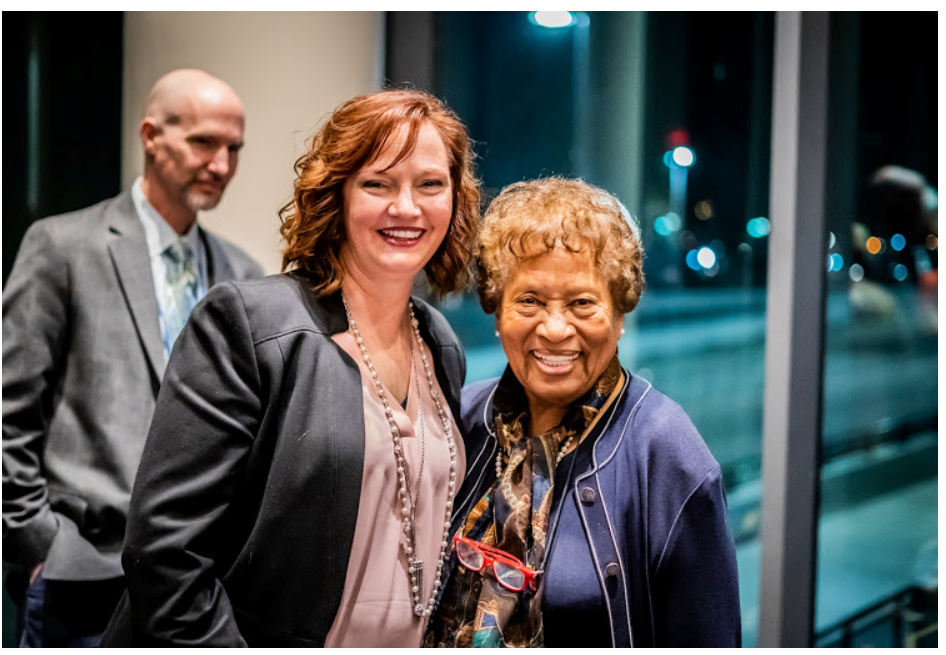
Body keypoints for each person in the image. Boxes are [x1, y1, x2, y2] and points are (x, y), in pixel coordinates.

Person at [102, 89, 481, 647]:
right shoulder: (250, 323)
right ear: (338, 194)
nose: (407, 207)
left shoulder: (438, 343)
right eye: (378, 183)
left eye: (430, 184)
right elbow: (164, 552)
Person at [2, 68, 263, 647]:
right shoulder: (63, 247)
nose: (222, 164)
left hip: (200, 581)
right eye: (203, 142)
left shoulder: (243, 277)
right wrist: (37, 544)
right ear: (150, 135)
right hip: (81, 568)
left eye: (233, 148)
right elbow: (7, 412)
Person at [426, 178, 741, 648]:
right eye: (529, 300)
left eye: (582, 303)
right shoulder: (460, 420)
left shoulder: (667, 452)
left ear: (619, 317)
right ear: (497, 312)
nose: (555, 329)